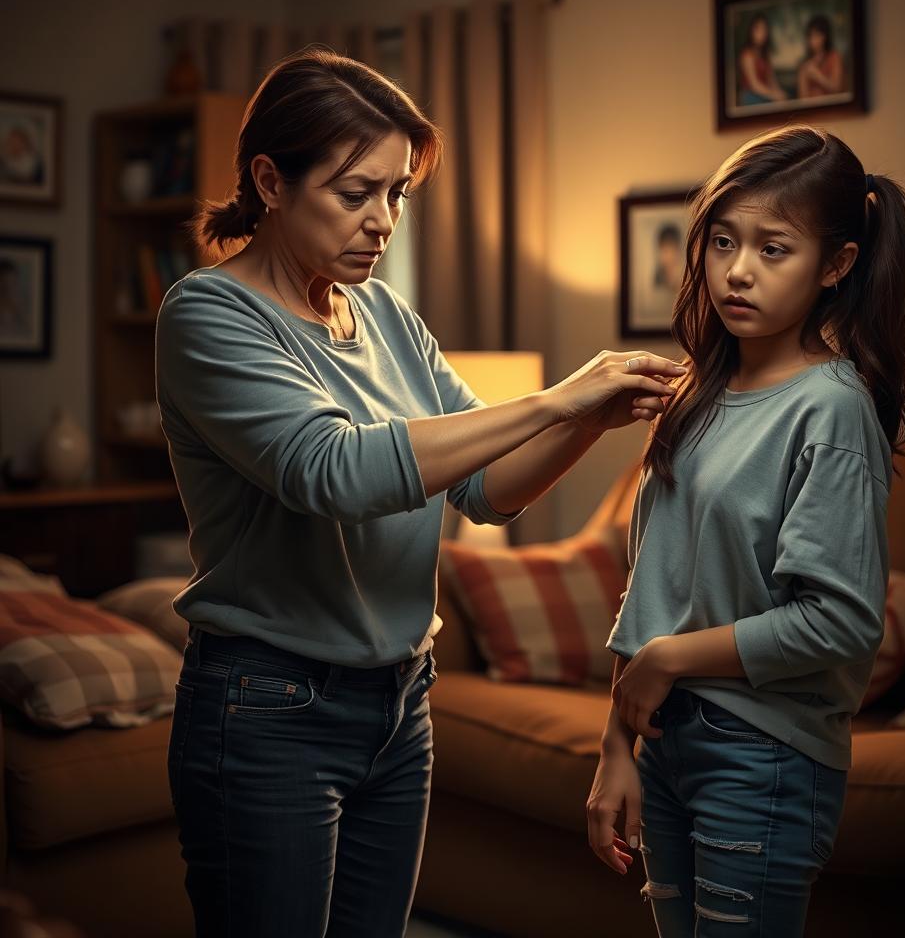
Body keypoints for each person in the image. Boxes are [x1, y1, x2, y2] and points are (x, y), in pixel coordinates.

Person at [156, 46, 685, 938]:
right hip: (268, 707)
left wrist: (590, 421)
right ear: (270, 182)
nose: (383, 221)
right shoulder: (207, 315)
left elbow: (485, 488)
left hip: (401, 703)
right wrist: (556, 396)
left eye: (397, 194)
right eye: (355, 192)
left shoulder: (389, 318)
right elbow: (333, 471)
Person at [586, 125, 905, 936]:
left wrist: (670, 660)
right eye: (724, 241)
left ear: (835, 265)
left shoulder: (832, 409)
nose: (737, 271)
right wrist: (616, 747)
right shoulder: (694, 393)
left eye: (774, 249)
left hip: (765, 757)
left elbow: (839, 621)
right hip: (664, 743)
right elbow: (653, 587)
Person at [737, 13, 787, 106]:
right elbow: (754, 85)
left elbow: (772, 79)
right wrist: (774, 95)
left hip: (765, 94)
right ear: (751, 31)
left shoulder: (765, 55)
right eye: (758, 29)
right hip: (751, 96)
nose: (762, 33)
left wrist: (780, 93)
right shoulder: (747, 54)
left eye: (764, 29)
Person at [796, 14, 844, 99]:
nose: (812, 40)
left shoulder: (834, 57)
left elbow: (837, 88)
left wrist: (818, 76)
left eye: (816, 35)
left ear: (824, 36)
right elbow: (802, 97)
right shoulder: (805, 64)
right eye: (810, 36)